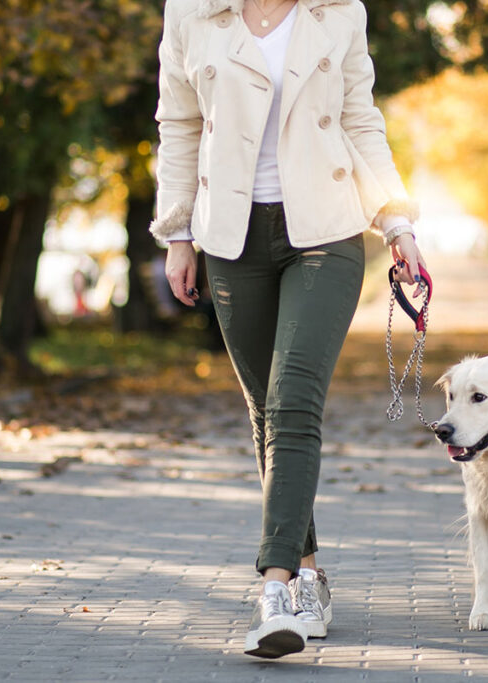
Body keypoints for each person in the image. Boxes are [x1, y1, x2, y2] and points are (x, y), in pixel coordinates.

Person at [150, 0, 427, 659]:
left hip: (326, 232)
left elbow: (361, 121)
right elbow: (179, 126)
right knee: (267, 411)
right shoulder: (192, 12)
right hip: (231, 237)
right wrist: (177, 234)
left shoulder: (339, 13)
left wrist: (397, 221)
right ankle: (307, 573)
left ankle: (275, 592)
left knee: (293, 397)